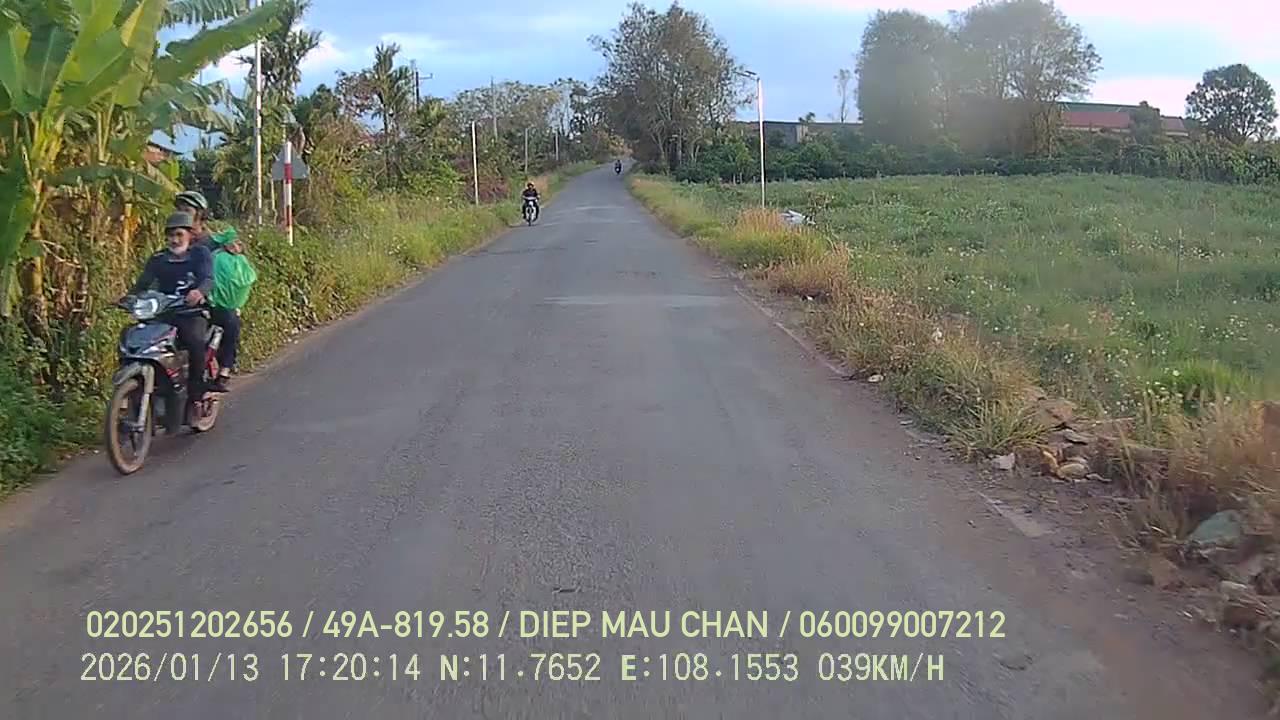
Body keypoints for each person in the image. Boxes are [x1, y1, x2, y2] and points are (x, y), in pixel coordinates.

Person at [127, 212, 213, 402]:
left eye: (179, 234)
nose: (174, 240)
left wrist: (199, 292)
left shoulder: (200, 254)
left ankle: (196, 394)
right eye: (170, 235)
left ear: (190, 235)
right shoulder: (158, 258)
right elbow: (143, 284)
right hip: (162, 313)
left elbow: (207, 279)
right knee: (135, 338)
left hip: (190, 313)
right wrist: (128, 297)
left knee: (195, 342)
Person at [206, 228, 257, 393]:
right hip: (219, 307)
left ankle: (222, 372)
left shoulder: (218, 257)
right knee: (231, 334)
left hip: (215, 306)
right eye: (234, 243)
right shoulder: (221, 258)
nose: (236, 246)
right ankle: (224, 373)